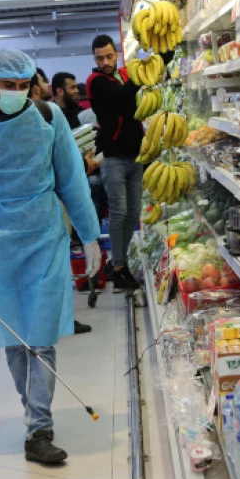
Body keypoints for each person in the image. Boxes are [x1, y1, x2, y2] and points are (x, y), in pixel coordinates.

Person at [0, 49, 101, 464]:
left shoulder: (49, 120)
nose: (15, 92)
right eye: (7, 85)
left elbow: (72, 181)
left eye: (22, 85)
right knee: (15, 341)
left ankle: (39, 430)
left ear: (32, 83)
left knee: (41, 337)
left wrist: (90, 237)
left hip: (44, 239)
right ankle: (33, 409)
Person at [28, 71, 94, 337]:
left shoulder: (45, 118)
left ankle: (59, 318)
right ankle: (59, 319)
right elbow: (62, 170)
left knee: (52, 266)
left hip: (47, 206)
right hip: (51, 204)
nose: (47, 87)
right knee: (51, 267)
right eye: (43, 83)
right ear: (34, 90)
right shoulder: (46, 117)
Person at [86, 34, 144, 292]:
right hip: (114, 158)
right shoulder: (96, 81)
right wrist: (140, 74)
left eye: (109, 56)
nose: (106, 62)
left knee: (133, 213)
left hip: (136, 155)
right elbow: (123, 97)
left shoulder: (124, 73)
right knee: (119, 213)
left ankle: (118, 262)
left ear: (117, 54)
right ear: (95, 59)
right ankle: (119, 266)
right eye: (100, 58)